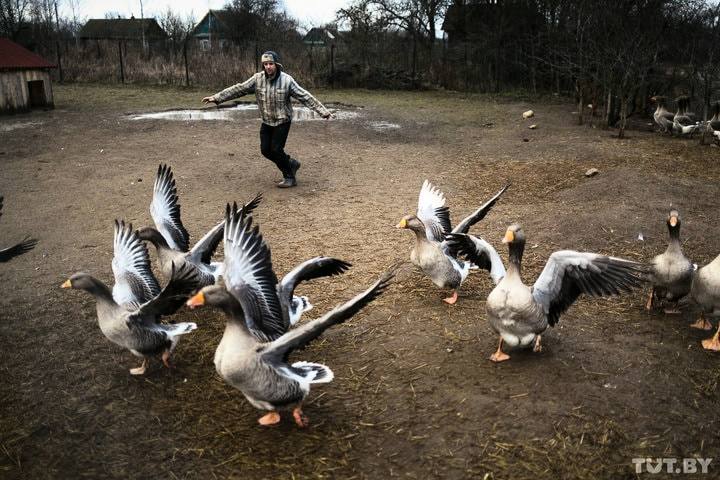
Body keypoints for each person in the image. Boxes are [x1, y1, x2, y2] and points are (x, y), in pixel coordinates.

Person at [202, 51, 332, 188]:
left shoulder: (287, 80)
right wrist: (217, 98)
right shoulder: (257, 79)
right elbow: (239, 89)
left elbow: (304, 96)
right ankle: (291, 163)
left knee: (276, 149)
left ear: (276, 64)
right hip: (267, 121)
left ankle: (289, 176)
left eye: (271, 64)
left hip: (283, 120)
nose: (268, 67)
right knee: (265, 150)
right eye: (265, 64)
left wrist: (323, 111)